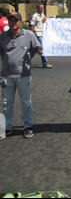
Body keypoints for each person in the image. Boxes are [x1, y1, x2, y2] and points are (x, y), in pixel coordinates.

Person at [0, 12, 42, 140]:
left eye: (16, 20)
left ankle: (28, 126)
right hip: (6, 75)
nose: (13, 22)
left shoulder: (29, 35)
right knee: (6, 103)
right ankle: (7, 127)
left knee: (26, 102)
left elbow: (37, 47)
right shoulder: (2, 36)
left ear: (20, 21)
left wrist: (35, 55)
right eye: (11, 20)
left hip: (23, 75)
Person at [30, 5, 53, 69]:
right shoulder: (35, 15)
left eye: (42, 8)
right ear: (37, 8)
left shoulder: (42, 15)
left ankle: (25, 61)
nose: (41, 9)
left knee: (35, 49)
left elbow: (44, 23)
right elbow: (31, 25)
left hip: (42, 34)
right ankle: (45, 63)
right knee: (42, 49)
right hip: (37, 34)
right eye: (40, 8)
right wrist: (32, 34)